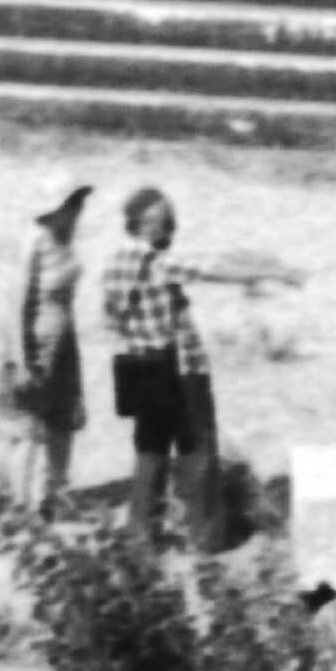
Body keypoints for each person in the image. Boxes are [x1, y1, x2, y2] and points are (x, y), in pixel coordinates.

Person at [102, 185, 221, 555]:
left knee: (150, 448)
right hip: (180, 367)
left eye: (168, 220)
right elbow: (213, 270)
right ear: (140, 224)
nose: (168, 228)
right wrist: (271, 271)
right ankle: (203, 537)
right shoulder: (156, 262)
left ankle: (141, 536)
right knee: (197, 449)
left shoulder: (116, 264)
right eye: (161, 221)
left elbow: (110, 319)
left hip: (144, 367)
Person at [0, 184, 89, 514]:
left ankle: (53, 496)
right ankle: (22, 505)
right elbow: (17, 304)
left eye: (80, 203)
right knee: (27, 428)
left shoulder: (67, 239)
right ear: (55, 207)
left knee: (62, 423)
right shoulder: (34, 240)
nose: (78, 210)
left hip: (64, 345)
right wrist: (20, 360)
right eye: (72, 203)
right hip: (34, 347)